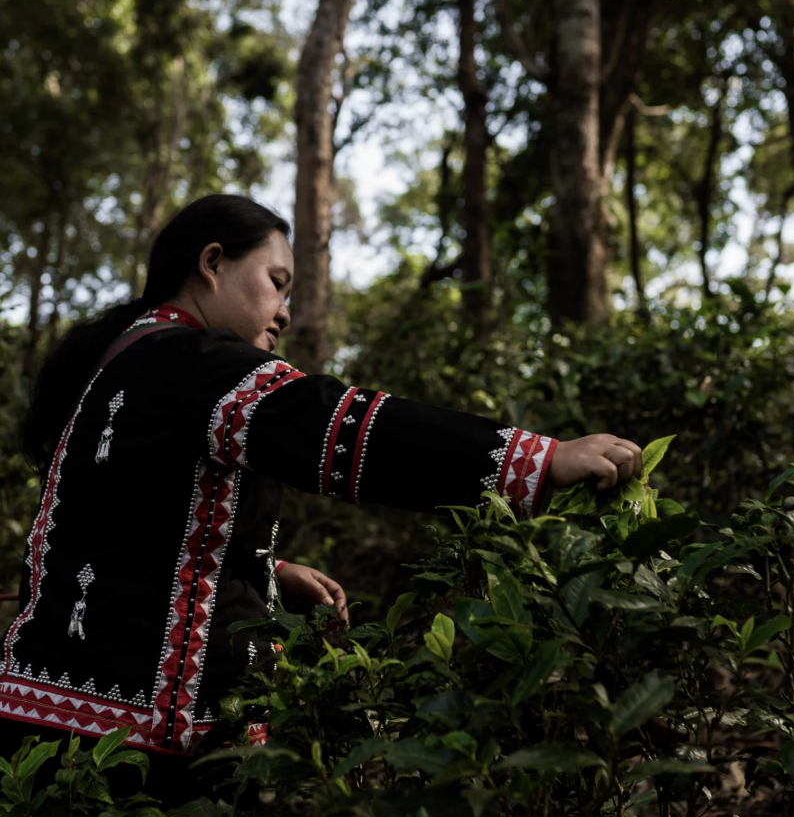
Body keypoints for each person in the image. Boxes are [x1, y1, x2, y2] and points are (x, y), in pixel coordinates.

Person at [1, 194, 642, 768]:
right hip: (139, 751)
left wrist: (263, 568)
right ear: (213, 263)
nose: (284, 312)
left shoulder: (121, 361)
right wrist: (536, 459)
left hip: (38, 722)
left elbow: (121, 528)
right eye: (276, 283)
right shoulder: (198, 363)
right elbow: (341, 430)